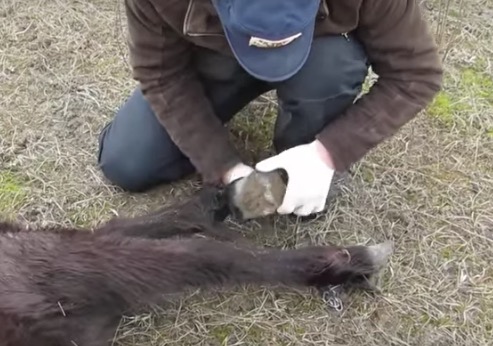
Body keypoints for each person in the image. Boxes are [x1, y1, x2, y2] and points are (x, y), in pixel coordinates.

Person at [97, 0, 443, 217]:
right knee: (128, 163)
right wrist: (225, 169)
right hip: (215, 55)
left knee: (334, 66)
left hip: (319, 54)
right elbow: (162, 75)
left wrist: (327, 154)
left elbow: (416, 74)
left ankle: (299, 159)